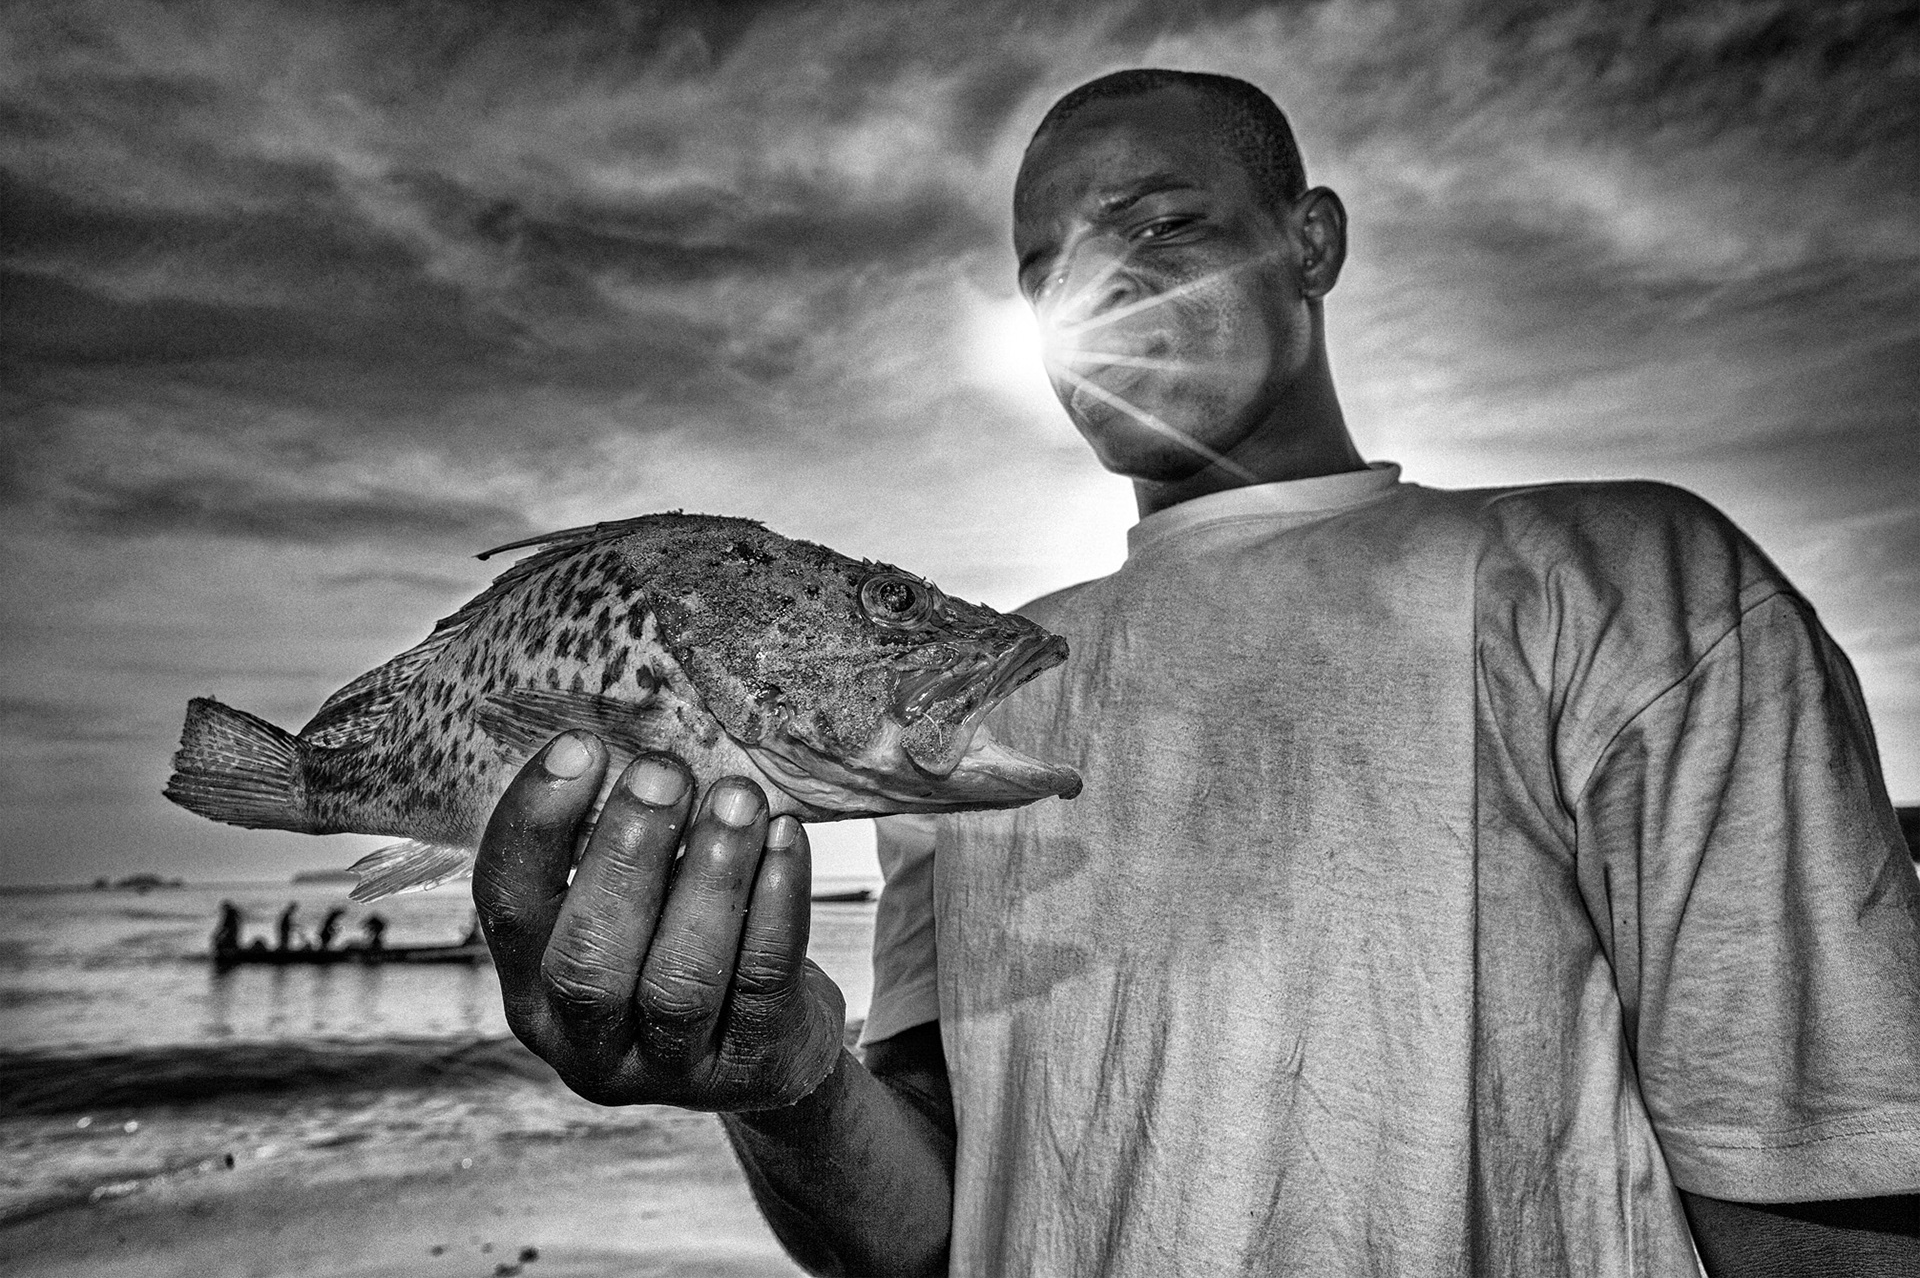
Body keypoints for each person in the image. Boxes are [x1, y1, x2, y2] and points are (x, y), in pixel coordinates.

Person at [470, 70, 1920, 1276]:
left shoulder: (1633, 585)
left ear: (1313, 241)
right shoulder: (945, 713)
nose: (1101, 294)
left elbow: (1824, 1186)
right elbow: (928, 1233)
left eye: (1162, 228)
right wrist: (780, 1076)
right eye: (1048, 275)